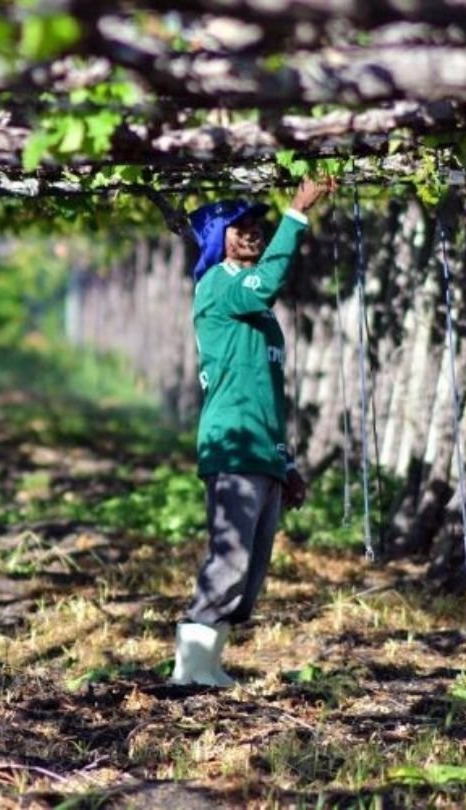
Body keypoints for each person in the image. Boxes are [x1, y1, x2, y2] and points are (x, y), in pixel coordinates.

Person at [171, 175, 336, 687]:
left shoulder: (262, 321)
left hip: (261, 450)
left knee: (250, 574)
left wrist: (286, 463)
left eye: (255, 225)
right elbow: (265, 281)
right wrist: (297, 213)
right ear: (218, 235)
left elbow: (271, 399)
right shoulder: (219, 286)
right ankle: (190, 672)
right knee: (230, 560)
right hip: (233, 446)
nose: (251, 232)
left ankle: (207, 663)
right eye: (238, 226)